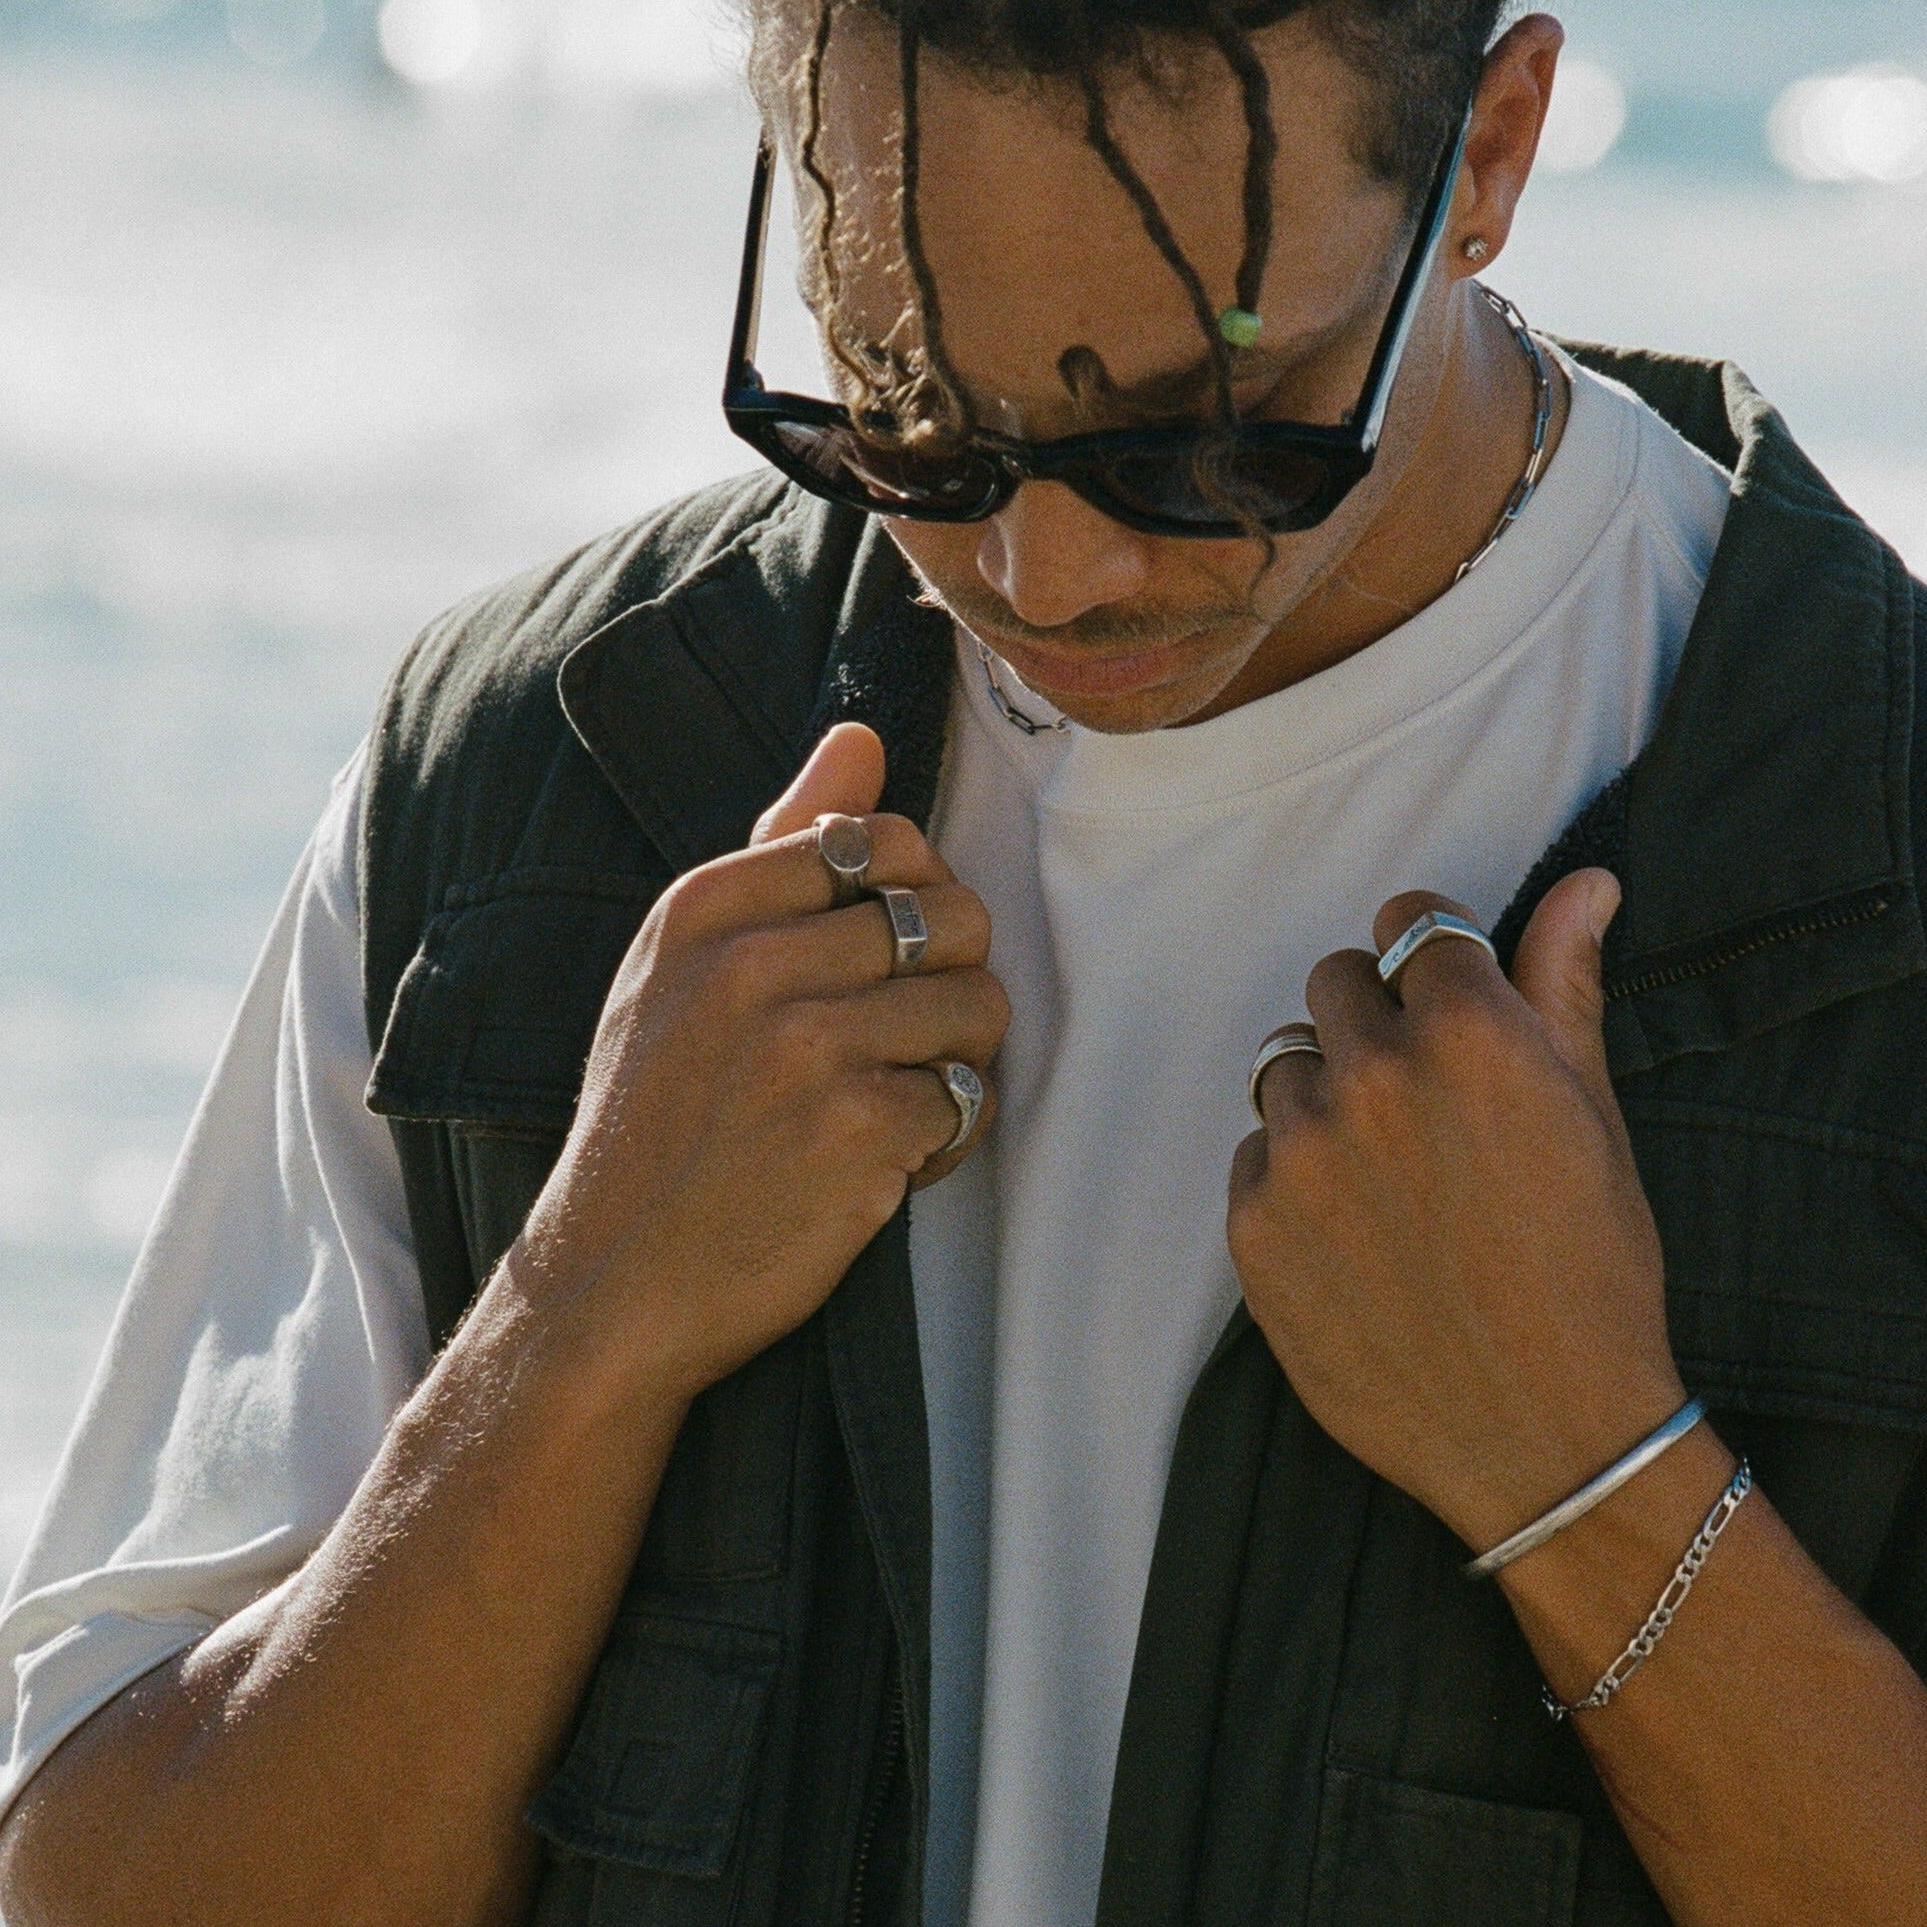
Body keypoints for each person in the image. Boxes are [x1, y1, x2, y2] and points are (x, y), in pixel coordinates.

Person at [4, 2, 1927, 1922]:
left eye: (1206, 430)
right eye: (910, 410)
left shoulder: (1869, 841)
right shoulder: (539, 775)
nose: (1042, 576)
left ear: (1490, 154)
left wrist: (1590, 1476)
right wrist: (577, 1323)